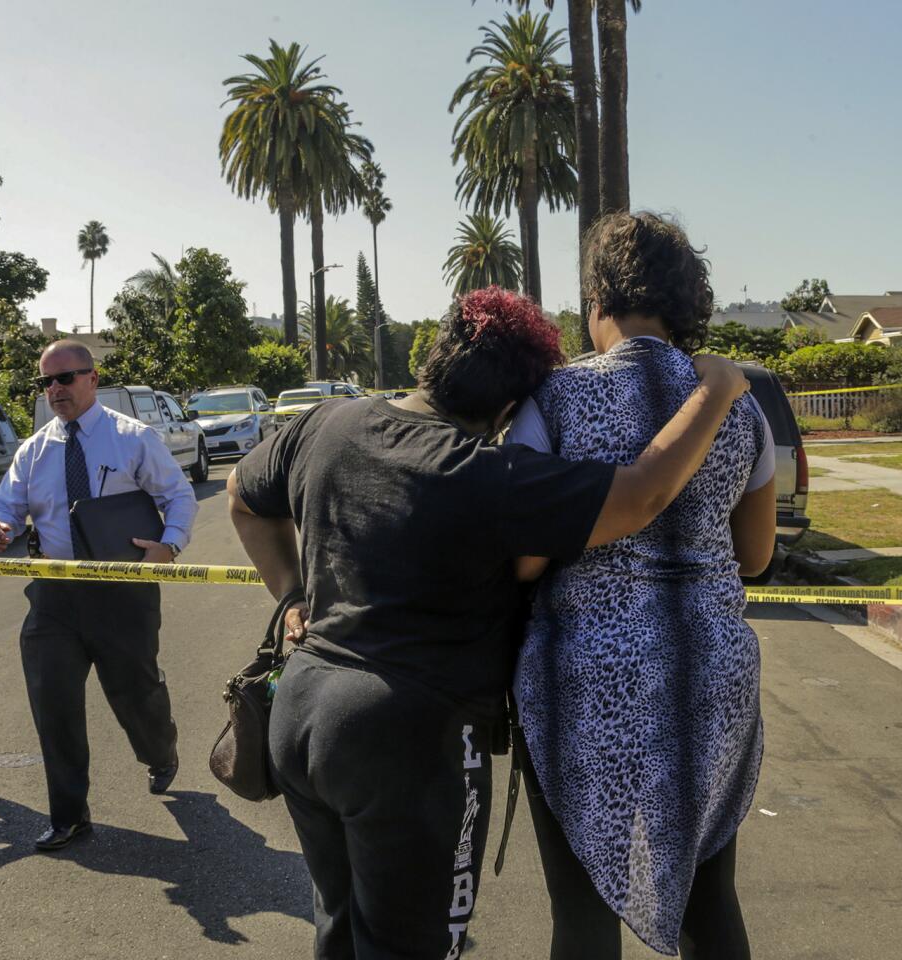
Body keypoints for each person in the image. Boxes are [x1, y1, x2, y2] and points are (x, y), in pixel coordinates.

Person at [227, 286, 750, 960]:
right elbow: (642, 494)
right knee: (414, 943)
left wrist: (292, 596)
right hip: (410, 742)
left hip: (300, 713)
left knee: (340, 927)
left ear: (435, 354)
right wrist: (715, 391)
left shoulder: (328, 422)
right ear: (508, 408)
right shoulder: (484, 475)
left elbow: (243, 497)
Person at [508, 212, 778, 959]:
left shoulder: (552, 400)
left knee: (584, 914)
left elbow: (523, 556)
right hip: (710, 673)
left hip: (582, 682)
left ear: (597, 299)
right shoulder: (736, 404)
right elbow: (754, 555)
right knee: (709, 898)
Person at [0, 340, 195, 851]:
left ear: (93, 379)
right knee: (52, 701)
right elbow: (6, 504)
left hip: (122, 591)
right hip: (55, 594)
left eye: (66, 378)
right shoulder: (34, 450)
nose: (55, 389)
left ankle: (159, 751)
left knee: (134, 692)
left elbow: (178, 496)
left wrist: (169, 545)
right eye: (45, 382)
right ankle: (69, 814)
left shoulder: (132, 438)